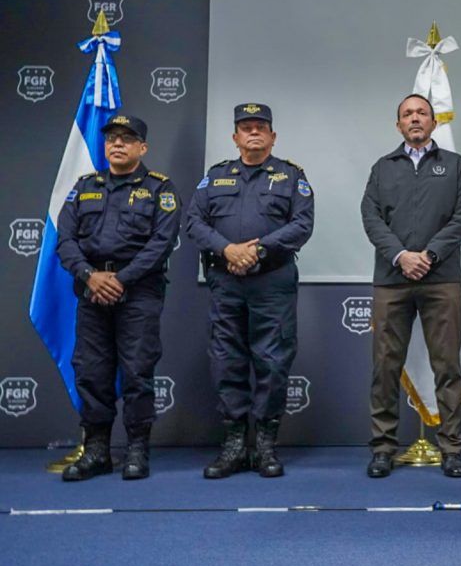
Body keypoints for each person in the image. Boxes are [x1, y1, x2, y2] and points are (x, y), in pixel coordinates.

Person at [184, 103, 314, 479]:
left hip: (272, 283)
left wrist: (257, 250)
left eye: (260, 127)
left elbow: (302, 224)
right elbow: (194, 221)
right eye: (246, 127)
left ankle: (266, 444)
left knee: (272, 363)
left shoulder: (291, 177)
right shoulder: (216, 177)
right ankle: (235, 444)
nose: (253, 132)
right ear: (235, 137)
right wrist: (227, 250)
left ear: (272, 136)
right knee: (227, 361)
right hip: (226, 282)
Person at [56, 114, 181, 481]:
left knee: (137, 371)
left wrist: (121, 280)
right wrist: (89, 276)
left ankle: (137, 449)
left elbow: (161, 243)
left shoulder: (160, 189)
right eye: (112, 138)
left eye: (127, 138)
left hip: (139, 292)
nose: (118, 144)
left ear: (142, 147)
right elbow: (65, 240)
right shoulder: (84, 187)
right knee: (91, 372)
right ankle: (97, 450)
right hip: (91, 289)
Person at [360, 93, 461, 479]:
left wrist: (429, 255)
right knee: (385, 367)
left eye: (422, 113)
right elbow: (370, 216)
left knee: (448, 366)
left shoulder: (455, 165)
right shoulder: (382, 168)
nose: (414, 118)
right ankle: (383, 448)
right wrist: (401, 256)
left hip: (441, 279)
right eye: (407, 114)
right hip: (392, 280)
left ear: (433, 122)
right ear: (398, 125)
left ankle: (452, 447)